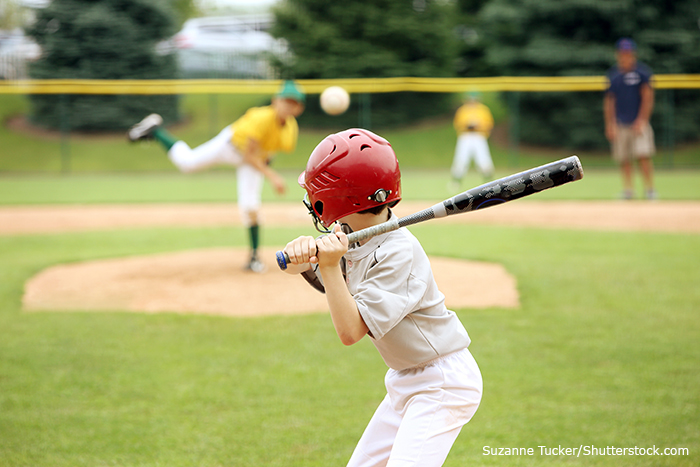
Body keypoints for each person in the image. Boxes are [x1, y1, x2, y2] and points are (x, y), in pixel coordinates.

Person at [282, 128, 482, 467]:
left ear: (338, 198)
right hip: (405, 379)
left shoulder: (398, 252)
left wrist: (328, 266)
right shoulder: (351, 234)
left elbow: (351, 330)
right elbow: (337, 290)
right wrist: (303, 265)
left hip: (441, 383)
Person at [127, 80, 306, 273]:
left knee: (250, 206)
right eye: (285, 101)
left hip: (253, 159)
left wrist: (266, 167)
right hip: (231, 146)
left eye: (293, 103)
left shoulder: (291, 129)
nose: (288, 106)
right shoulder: (261, 118)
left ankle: (254, 258)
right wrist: (272, 176)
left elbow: (270, 151)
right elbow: (249, 154)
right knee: (188, 163)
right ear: (275, 101)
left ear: (299, 108)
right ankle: (156, 131)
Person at [604, 38, 657, 200]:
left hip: (638, 123)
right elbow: (609, 102)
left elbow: (648, 97)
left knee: (643, 156)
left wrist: (642, 120)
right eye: (622, 53)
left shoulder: (642, 73)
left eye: (628, 53)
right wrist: (610, 124)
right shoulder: (614, 75)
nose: (625, 56)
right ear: (618, 54)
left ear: (633, 54)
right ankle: (628, 191)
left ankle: (650, 190)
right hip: (621, 123)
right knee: (624, 158)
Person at [449, 91, 495, 192]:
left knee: (484, 160)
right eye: (470, 99)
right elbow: (457, 124)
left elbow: (489, 124)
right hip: (465, 136)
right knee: (461, 160)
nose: (472, 101)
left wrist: (479, 125)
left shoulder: (483, 110)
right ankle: (455, 183)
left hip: (479, 136)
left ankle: (489, 184)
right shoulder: (462, 110)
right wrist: (467, 125)